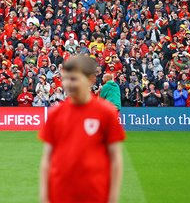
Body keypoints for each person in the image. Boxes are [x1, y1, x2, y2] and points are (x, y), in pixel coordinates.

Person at [39, 55, 125, 203]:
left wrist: (113, 197)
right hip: (60, 195)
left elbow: (115, 160)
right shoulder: (55, 115)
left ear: (91, 80)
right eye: (66, 79)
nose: (68, 84)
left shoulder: (106, 114)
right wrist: (44, 197)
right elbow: (47, 161)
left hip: (95, 195)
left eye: (74, 79)